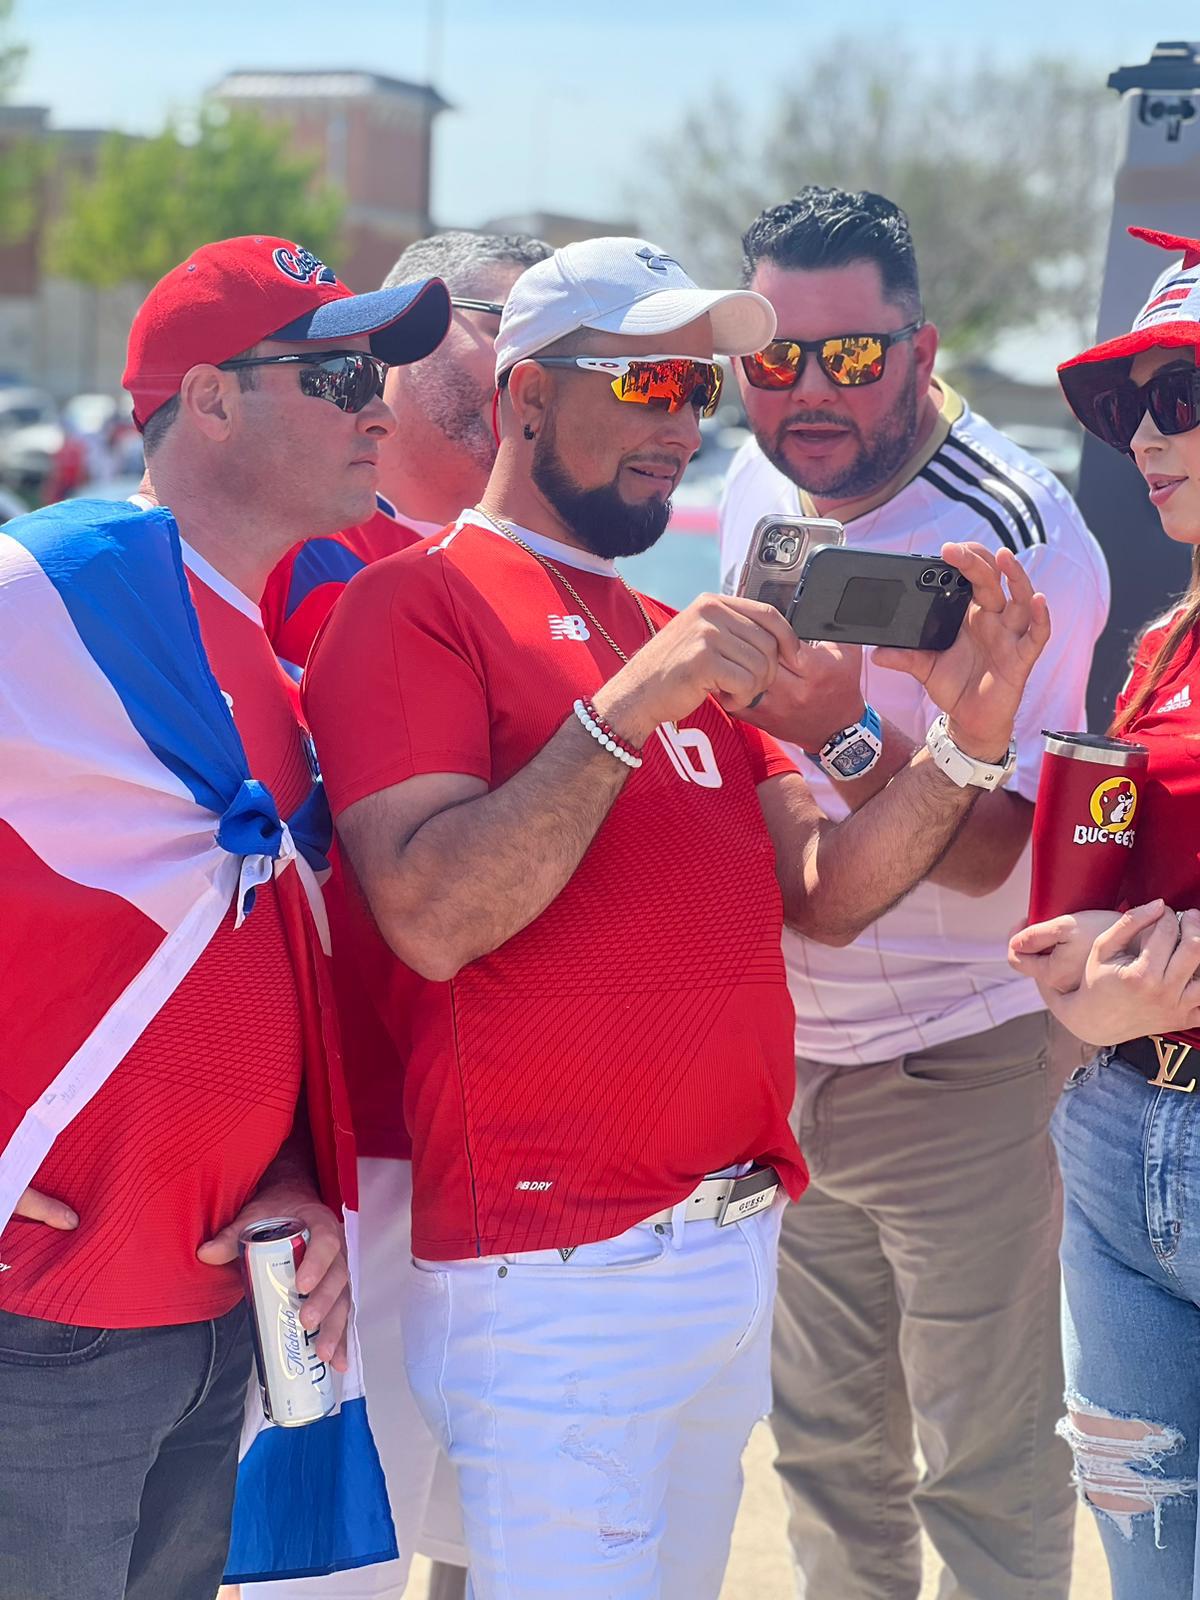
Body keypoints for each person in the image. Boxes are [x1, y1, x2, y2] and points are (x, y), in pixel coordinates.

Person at [303, 234, 1050, 1600]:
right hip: (557, 1260)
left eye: (699, 390)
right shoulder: (414, 603)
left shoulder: (669, 621)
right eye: (650, 384)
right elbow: (435, 916)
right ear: (529, 395)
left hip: (724, 1242)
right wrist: (625, 710)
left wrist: (966, 744)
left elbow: (825, 896)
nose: (686, 425)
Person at [0, 234, 450, 1598]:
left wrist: (291, 1174)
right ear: (207, 399)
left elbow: (251, 966)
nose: (378, 410)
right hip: (40, 1321)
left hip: (209, 1312)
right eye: (339, 377)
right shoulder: (52, 586)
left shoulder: (260, 644)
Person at [718, 185, 1109, 1599]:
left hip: (966, 1060)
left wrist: (840, 730)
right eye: (776, 358)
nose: (811, 391)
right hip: (790, 1057)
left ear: (922, 349)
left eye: (852, 355)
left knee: (986, 1474)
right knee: (827, 1466)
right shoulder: (757, 483)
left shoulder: (1023, 536)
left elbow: (1003, 851)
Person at [255, 232, 550, 1600]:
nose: (531, 361)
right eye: (501, 321)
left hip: (509, 1149)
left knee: (499, 1544)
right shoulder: (290, 544)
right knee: (328, 1564)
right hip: (332, 1146)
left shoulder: (565, 582)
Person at [1009, 226, 1200, 1599]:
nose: (1142, 435)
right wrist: (1081, 979)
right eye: (1125, 405)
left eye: (1180, 395)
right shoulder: (1164, 641)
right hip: (1119, 1134)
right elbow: (1087, 926)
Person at [261, 231, 552, 671]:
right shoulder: (274, 535)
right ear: (413, 324)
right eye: (510, 334)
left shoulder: (561, 581)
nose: (533, 375)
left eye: (555, 355)